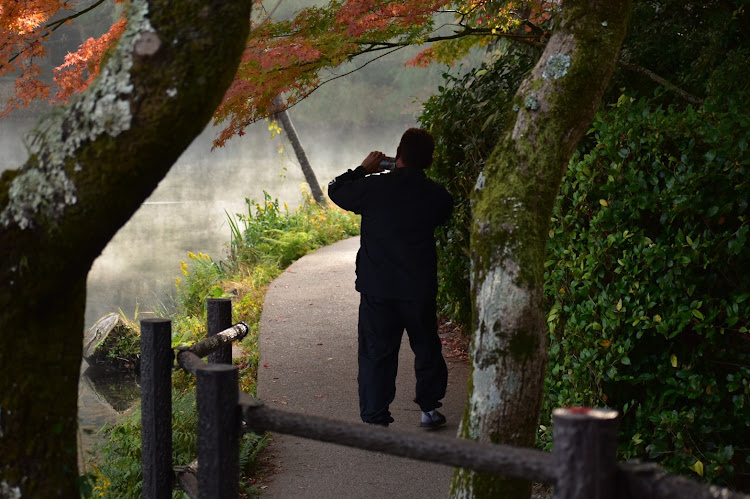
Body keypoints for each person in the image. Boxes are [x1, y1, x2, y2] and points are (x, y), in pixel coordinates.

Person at [328, 128, 453, 428]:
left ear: (396, 155)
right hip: (418, 288)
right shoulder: (436, 195)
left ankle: (375, 418)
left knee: (376, 352)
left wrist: (362, 169)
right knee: (426, 347)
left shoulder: (373, 188)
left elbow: (336, 191)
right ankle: (428, 410)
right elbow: (444, 211)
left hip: (378, 288)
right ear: (430, 161)